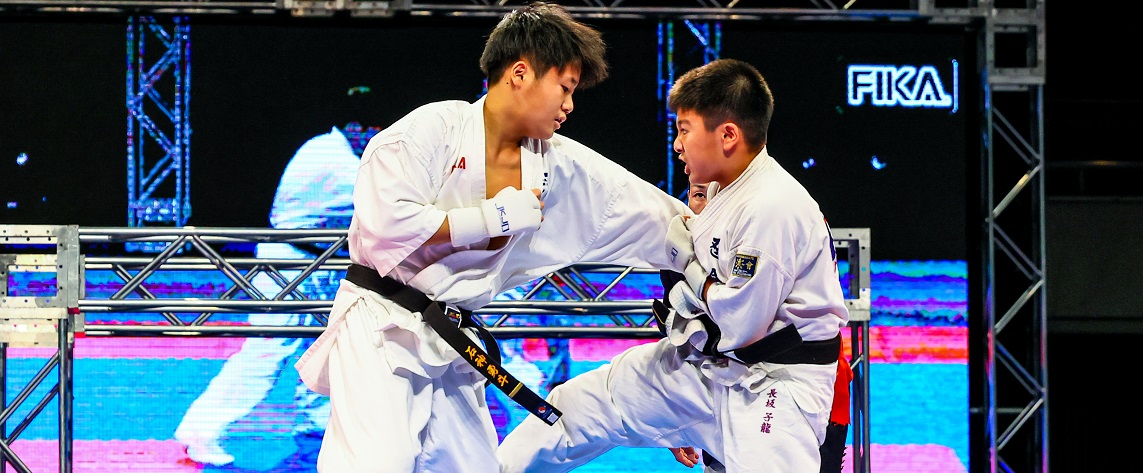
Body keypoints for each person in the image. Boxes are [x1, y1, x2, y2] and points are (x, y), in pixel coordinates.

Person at [292, 3, 693, 472]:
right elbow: (385, 225)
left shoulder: (555, 163)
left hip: (451, 337)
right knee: (380, 461)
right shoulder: (432, 130)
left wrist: (707, 242)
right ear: (520, 73)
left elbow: (634, 206)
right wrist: (489, 218)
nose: (570, 105)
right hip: (380, 325)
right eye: (564, 88)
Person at [497, 58, 849, 472]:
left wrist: (691, 272)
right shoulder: (722, 189)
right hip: (705, 368)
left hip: (773, 385)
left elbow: (740, 327)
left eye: (684, 129)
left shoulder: (771, 207)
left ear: (728, 135)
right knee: (578, 408)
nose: (677, 144)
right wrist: (670, 416)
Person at [175, 120, 380, 468]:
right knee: (266, 351)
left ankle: (315, 425)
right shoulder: (334, 160)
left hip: (313, 263)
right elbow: (385, 206)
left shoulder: (335, 149)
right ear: (355, 126)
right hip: (289, 264)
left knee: (326, 348)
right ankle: (201, 428)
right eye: (373, 128)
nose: (377, 135)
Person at [661, 182, 855, 472]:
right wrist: (673, 417)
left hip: (799, 390)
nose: (705, 205)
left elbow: (747, 322)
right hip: (729, 388)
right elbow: (685, 338)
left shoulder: (765, 224)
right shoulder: (685, 251)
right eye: (698, 195)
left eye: (713, 193)